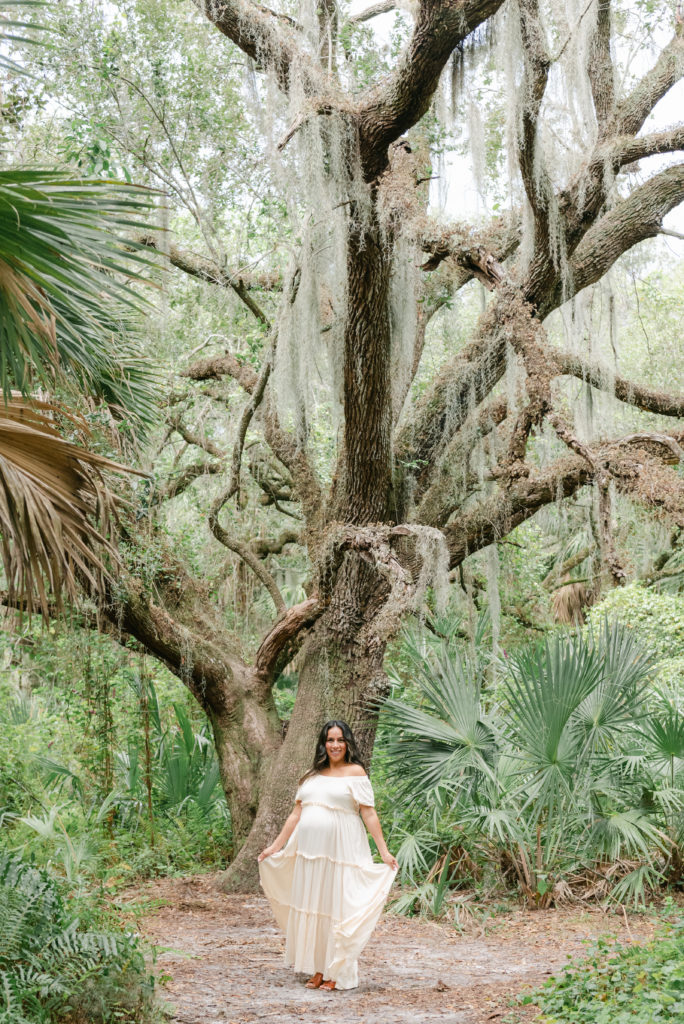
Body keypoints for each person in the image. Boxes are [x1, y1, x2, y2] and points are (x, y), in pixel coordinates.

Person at [257, 720, 398, 991]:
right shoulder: (311, 775)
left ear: (348, 744)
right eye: (330, 740)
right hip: (310, 854)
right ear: (323, 744)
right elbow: (296, 814)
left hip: (341, 851)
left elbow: (368, 813)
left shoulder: (355, 772)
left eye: (340, 740)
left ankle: (338, 971)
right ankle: (319, 968)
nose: (335, 745)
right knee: (316, 908)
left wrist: (384, 850)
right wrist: (276, 846)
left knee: (336, 908)